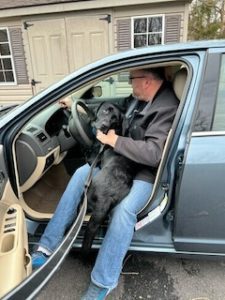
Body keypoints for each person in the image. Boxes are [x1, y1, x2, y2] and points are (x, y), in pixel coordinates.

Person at [32, 67, 179, 300]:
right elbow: (113, 109)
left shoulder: (166, 107)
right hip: (119, 161)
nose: (130, 84)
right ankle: (47, 246)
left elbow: (153, 153)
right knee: (82, 173)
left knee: (124, 211)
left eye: (132, 79)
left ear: (147, 82)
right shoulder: (139, 99)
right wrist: (75, 105)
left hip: (143, 173)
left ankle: (103, 282)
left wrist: (116, 140)